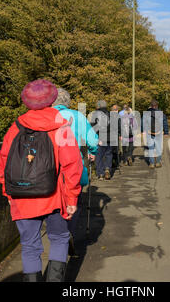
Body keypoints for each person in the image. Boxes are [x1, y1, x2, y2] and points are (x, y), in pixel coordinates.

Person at [0, 79, 83, 282]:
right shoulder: (62, 127)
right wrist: (71, 199)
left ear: (26, 102)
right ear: (52, 100)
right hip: (55, 196)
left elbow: (3, 164)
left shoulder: (15, 128)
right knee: (60, 238)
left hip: (22, 196)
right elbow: (73, 166)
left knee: (29, 245)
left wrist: (8, 192)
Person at [52, 88, 98, 250]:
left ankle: (59, 233)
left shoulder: (46, 117)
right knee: (74, 200)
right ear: (67, 102)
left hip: (50, 169)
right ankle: (69, 231)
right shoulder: (77, 116)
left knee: (55, 203)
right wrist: (92, 153)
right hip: (73, 167)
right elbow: (92, 140)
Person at [90, 100, 115, 180]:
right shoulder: (111, 114)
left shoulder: (95, 114)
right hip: (110, 138)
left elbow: (93, 127)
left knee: (99, 156)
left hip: (100, 138)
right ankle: (107, 168)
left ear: (98, 106)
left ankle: (100, 173)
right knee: (108, 154)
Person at [143, 99, 169, 169]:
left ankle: (151, 163)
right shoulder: (161, 114)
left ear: (151, 106)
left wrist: (143, 131)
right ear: (157, 106)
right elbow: (165, 123)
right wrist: (166, 132)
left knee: (151, 148)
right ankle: (157, 162)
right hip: (158, 133)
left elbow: (143, 123)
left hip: (149, 133)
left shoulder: (146, 113)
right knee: (158, 148)